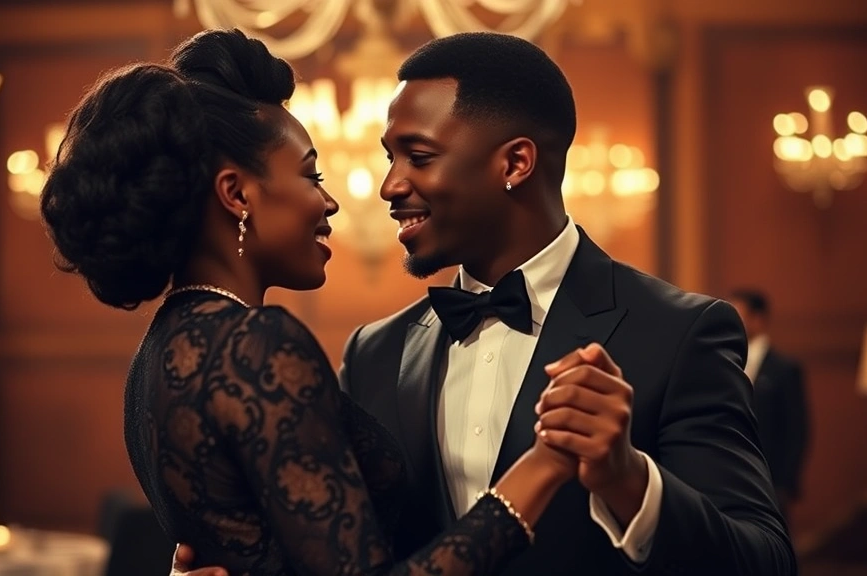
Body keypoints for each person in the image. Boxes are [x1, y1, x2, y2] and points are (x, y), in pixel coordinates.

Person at [177, 31, 797, 576]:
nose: (389, 186)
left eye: (417, 157)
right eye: (389, 158)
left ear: (516, 163)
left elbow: (764, 561)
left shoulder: (682, 333)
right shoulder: (374, 353)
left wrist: (629, 480)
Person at [41, 28, 584, 576]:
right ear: (236, 194)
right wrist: (536, 473)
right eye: (310, 175)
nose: (329, 202)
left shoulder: (160, 351)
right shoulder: (254, 346)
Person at [729, 288, 810, 525]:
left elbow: (797, 429)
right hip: (730, 478)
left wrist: (786, 483)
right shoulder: (722, 363)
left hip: (769, 481)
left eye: (737, 315)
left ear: (758, 319)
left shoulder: (784, 369)